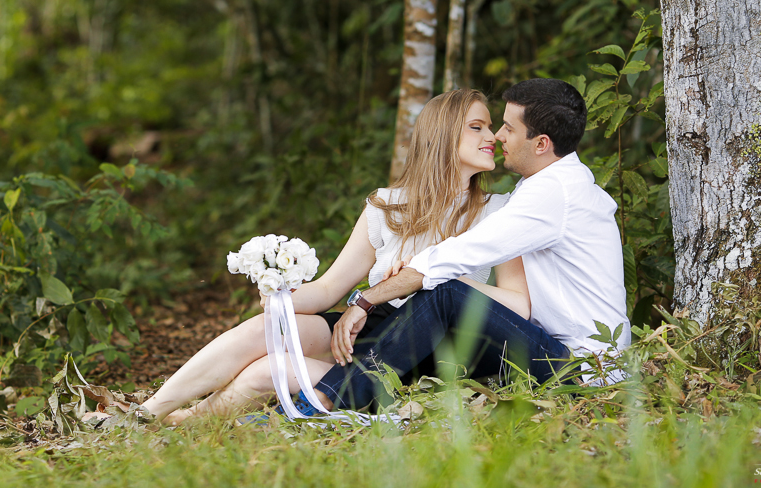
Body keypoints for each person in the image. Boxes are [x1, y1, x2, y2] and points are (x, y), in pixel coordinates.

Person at [112, 88, 533, 425]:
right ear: (442, 135)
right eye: (478, 127)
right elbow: (331, 287)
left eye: (490, 128)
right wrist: (280, 294)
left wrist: (439, 281)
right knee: (272, 324)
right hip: (367, 327)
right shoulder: (387, 206)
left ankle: (188, 422)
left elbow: (519, 305)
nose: (492, 137)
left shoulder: (498, 211)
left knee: (266, 372)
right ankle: (149, 414)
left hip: (429, 347)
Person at [287, 77, 631, 412]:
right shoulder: (546, 187)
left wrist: (367, 299)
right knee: (444, 298)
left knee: (446, 291)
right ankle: (347, 398)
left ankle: (323, 402)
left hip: (585, 373)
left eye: (508, 128)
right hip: (554, 352)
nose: (498, 136)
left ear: (541, 144)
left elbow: (459, 255)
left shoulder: (555, 193)